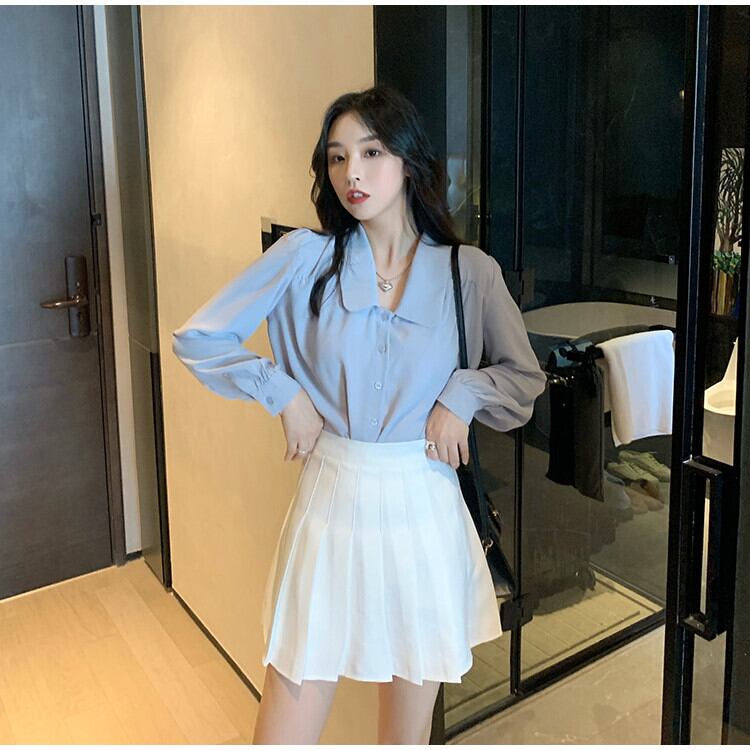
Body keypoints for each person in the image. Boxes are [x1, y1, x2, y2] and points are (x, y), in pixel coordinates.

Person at [172, 84, 547, 745]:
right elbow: (199, 337)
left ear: (408, 160)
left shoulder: (469, 273)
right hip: (330, 510)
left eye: (371, 152)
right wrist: (281, 392)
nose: (353, 172)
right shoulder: (304, 258)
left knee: (403, 737)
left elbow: (523, 381)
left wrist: (463, 394)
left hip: (422, 511)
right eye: (338, 157)